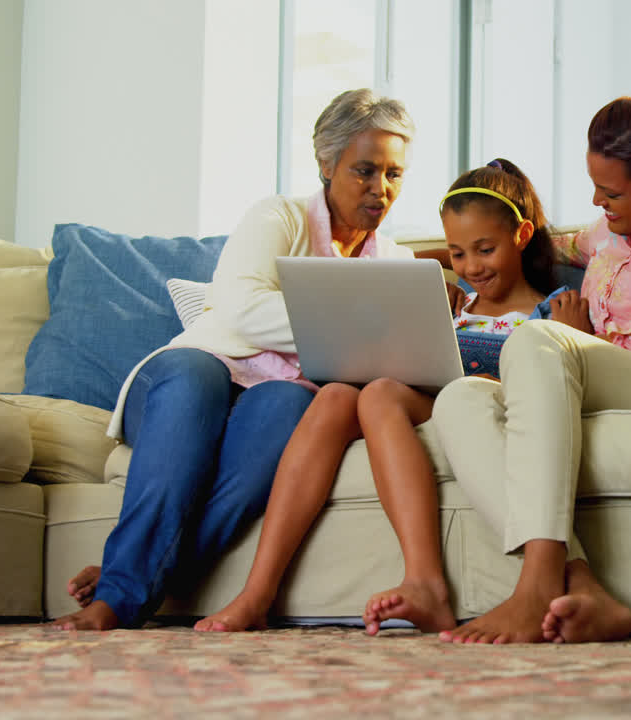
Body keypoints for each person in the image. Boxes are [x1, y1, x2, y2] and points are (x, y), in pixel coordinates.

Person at [53, 88, 418, 630]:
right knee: (193, 383)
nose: (380, 188)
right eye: (365, 170)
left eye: (393, 174)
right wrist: (354, 330)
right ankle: (117, 599)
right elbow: (244, 311)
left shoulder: (394, 262)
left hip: (275, 394)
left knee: (285, 407)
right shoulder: (278, 217)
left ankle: (123, 573)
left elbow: (390, 356)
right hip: (193, 374)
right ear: (326, 164)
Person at [431, 94, 631, 644]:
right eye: (594, 187)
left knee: (538, 339)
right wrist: (428, 267)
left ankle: (535, 586)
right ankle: (582, 584)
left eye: (611, 192)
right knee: (458, 398)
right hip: (601, 376)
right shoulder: (608, 232)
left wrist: (581, 341)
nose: (596, 201)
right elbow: (537, 240)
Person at [192, 158, 569, 634]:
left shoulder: (552, 309)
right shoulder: (454, 302)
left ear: (522, 235)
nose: (472, 267)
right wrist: (435, 279)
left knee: (379, 396)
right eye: (458, 254)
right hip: (429, 397)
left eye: (485, 250)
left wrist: (569, 334)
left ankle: (425, 582)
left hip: (484, 408)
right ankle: (257, 593)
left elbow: (552, 385)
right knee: (334, 395)